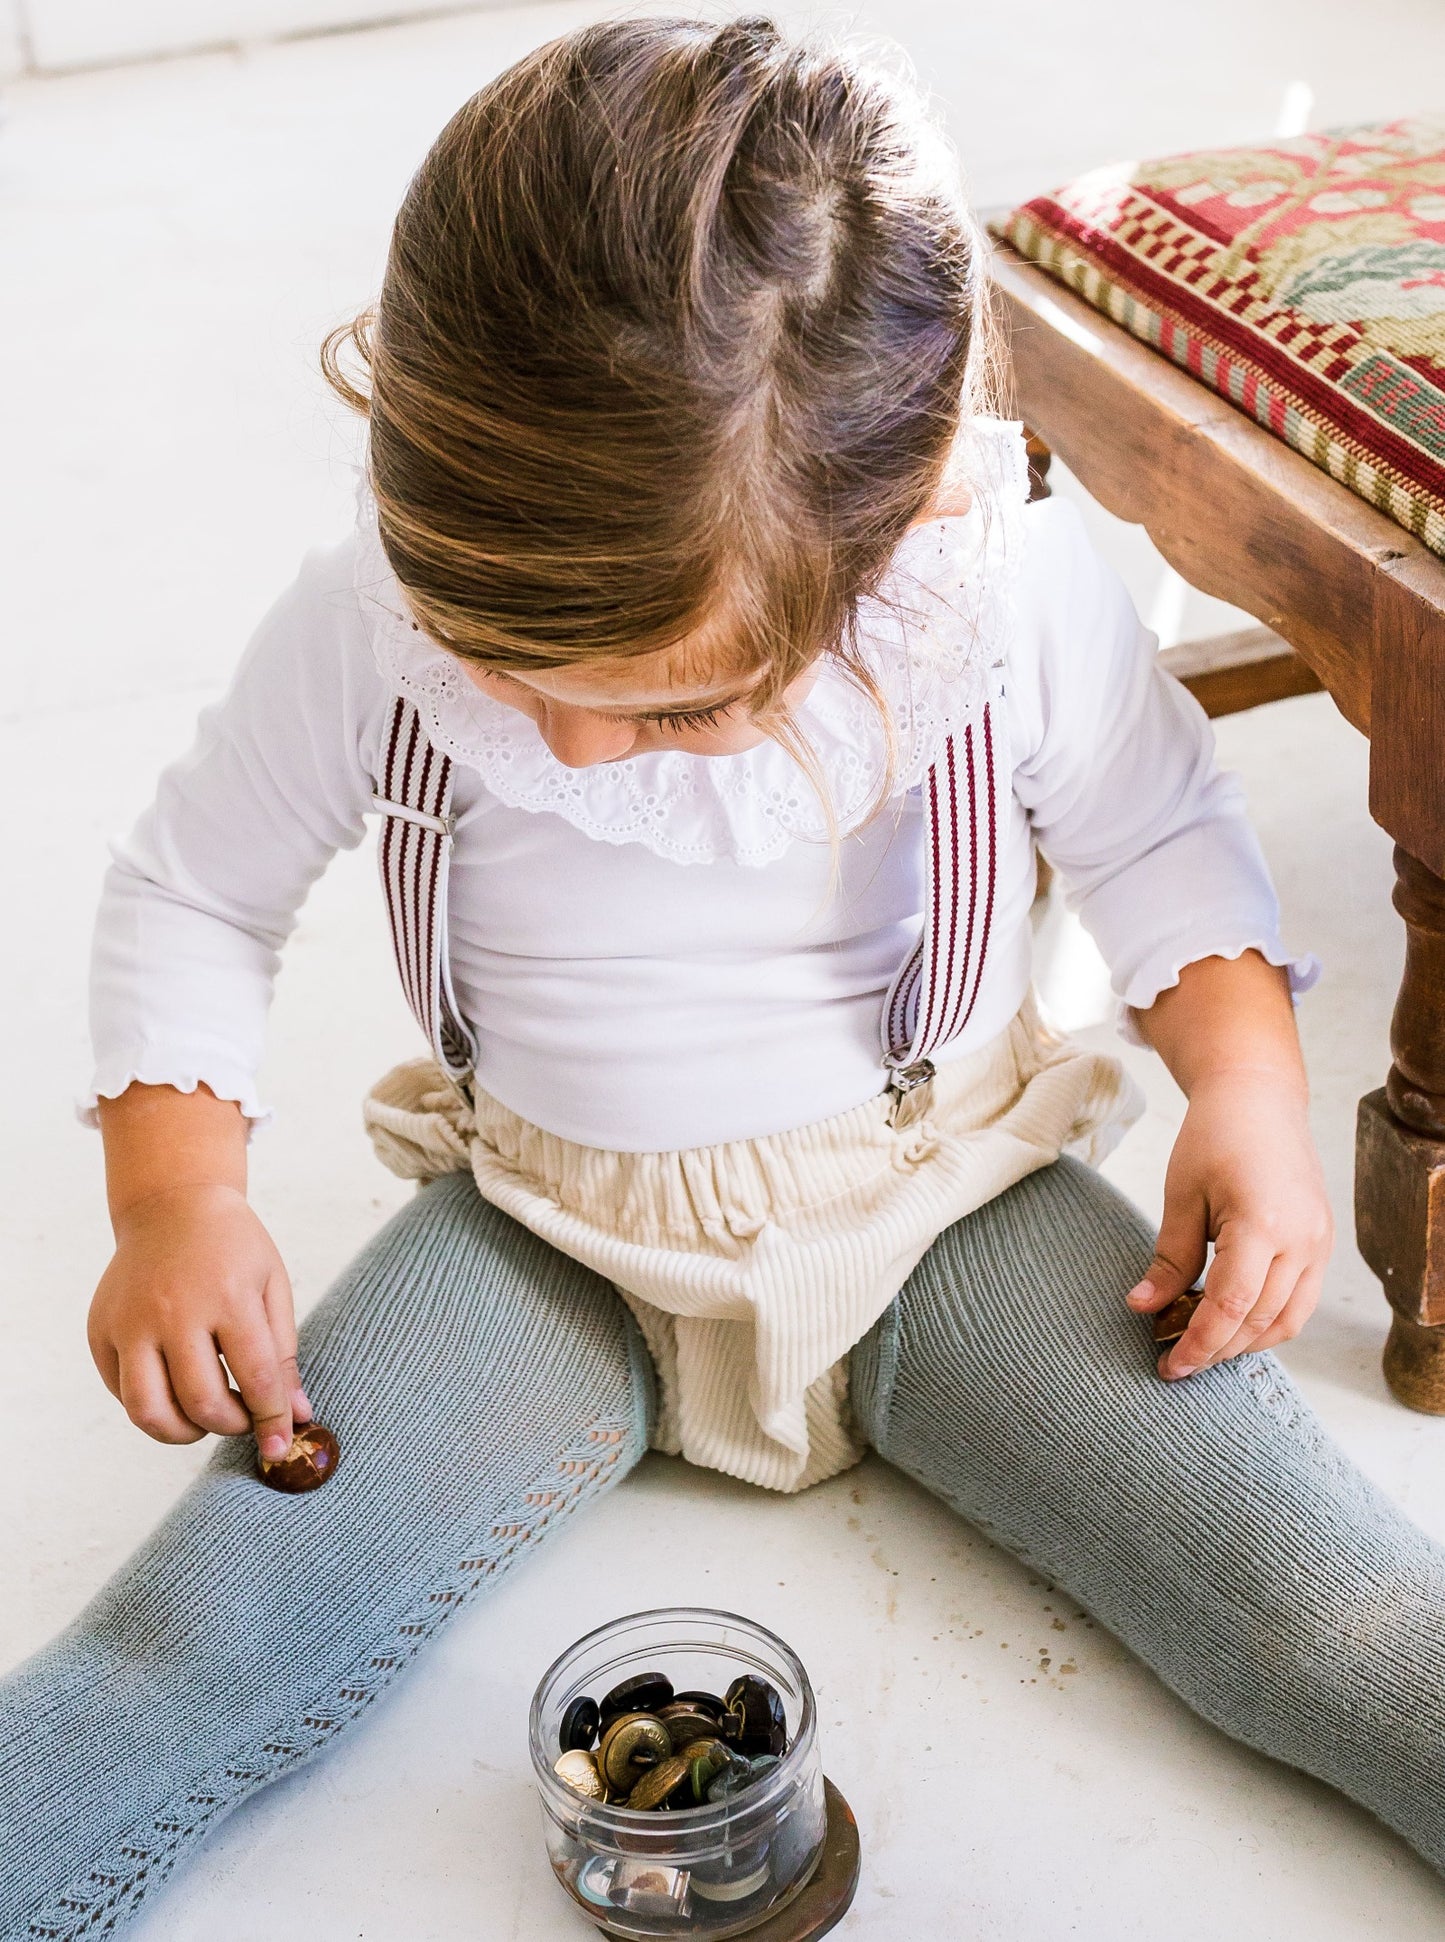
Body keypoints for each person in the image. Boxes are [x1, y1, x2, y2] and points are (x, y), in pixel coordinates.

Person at [4, 16, 1444, 1935]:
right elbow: (195, 885)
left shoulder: (991, 591)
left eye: (674, 708)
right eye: (513, 678)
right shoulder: (376, 610)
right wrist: (173, 1198)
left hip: (947, 1205)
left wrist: (1244, 1088)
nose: (573, 749)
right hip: (539, 1232)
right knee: (186, 1649)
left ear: (899, 529)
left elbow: (1163, 834)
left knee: (1332, 1610)